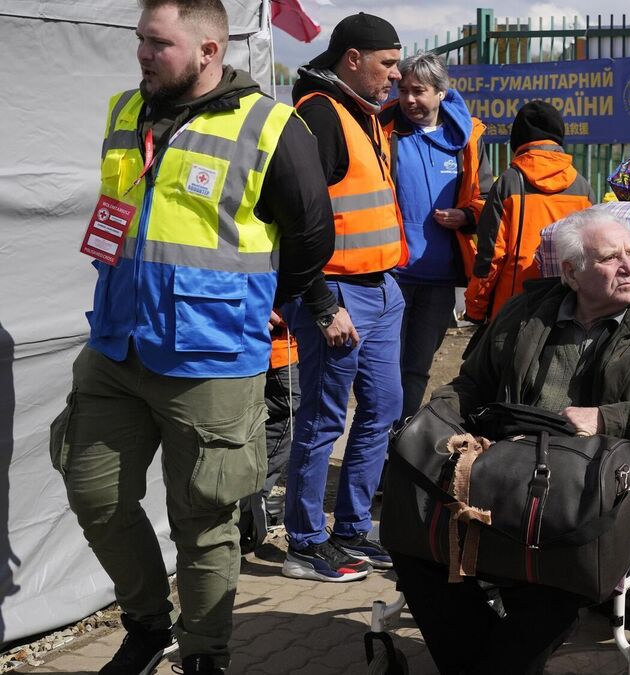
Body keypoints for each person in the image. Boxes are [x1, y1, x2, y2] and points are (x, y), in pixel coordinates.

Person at [49, 0, 334, 672]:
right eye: (140, 40)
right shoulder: (126, 111)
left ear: (209, 51)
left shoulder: (271, 126)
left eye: (159, 43)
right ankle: (148, 625)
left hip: (212, 357)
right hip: (116, 343)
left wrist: (267, 301)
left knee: (204, 518)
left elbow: (313, 237)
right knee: (93, 491)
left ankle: (205, 653)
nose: (143, 55)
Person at [388, 208, 630, 673]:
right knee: (415, 547)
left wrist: (609, 419)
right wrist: (435, 424)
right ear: (571, 273)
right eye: (610, 258)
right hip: (507, 476)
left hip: (596, 498)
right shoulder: (525, 314)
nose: (629, 267)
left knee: (550, 580)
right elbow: (472, 385)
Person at [283, 12, 407, 582]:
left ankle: (352, 529)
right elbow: (296, 218)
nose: (396, 75)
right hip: (337, 294)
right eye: (388, 63)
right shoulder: (320, 115)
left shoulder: (363, 113)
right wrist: (320, 304)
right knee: (323, 418)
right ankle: (305, 543)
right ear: (352, 59)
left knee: (382, 409)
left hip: (380, 288)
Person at [380, 51, 492, 422]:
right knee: (384, 368)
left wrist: (466, 216)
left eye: (419, 91)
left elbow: (485, 197)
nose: (409, 99)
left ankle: (401, 439)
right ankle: (377, 441)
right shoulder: (383, 129)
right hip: (392, 274)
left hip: (440, 278)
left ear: (441, 93)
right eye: (403, 90)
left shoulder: (467, 138)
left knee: (417, 368)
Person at [463, 101, 593, 322]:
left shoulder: (509, 182)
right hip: (568, 307)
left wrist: (475, 308)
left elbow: (491, 254)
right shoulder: (582, 187)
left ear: (517, 141)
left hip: (513, 311)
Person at [237, 328, 300, 554]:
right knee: (284, 415)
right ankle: (248, 514)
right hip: (273, 352)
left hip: (271, 350)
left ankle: (249, 510)